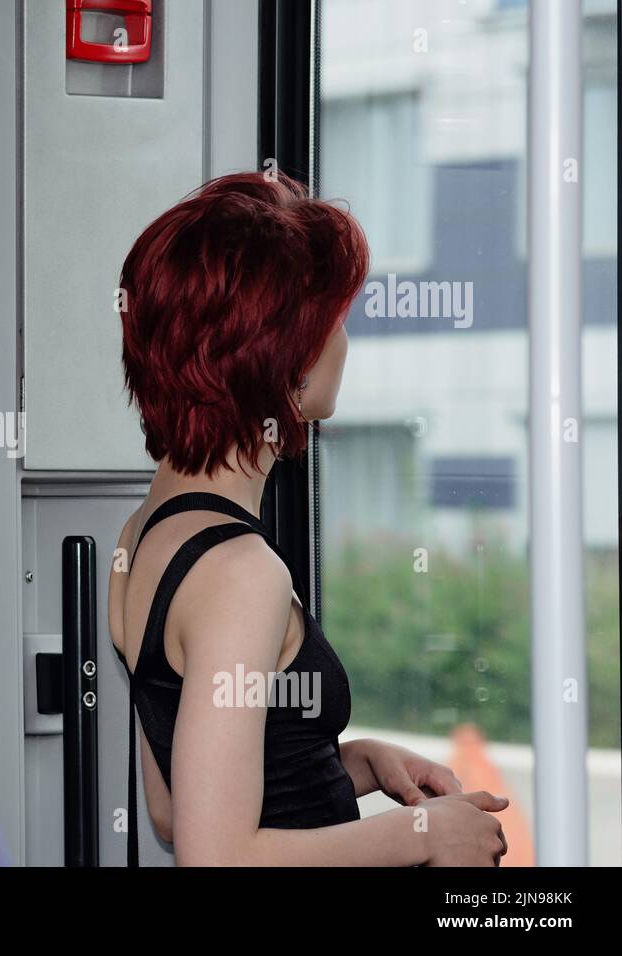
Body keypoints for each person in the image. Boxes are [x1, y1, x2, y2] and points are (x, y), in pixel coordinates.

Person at [108, 170, 509, 866]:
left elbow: (179, 810)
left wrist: (357, 762)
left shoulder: (140, 537)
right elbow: (215, 855)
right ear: (281, 356)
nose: (345, 343)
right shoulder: (239, 574)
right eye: (334, 321)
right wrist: (426, 833)